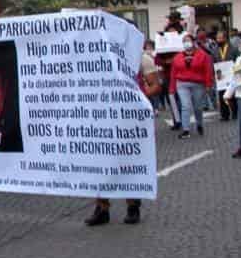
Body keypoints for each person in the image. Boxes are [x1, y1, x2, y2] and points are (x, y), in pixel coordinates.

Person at [86, 49, 161, 226]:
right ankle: (102, 208)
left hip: (130, 117)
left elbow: (155, 85)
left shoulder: (142, 58)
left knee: (129, 161)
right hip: (104, 115)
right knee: (101, 162)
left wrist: (137, 100)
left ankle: (133, 205)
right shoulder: (101, 54)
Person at [169, 34, 214, 139]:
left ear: (193, 42)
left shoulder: (203, 55)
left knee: (198, 107)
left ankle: (199, 123)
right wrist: (172, 87)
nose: (186, 43)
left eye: (188, 40)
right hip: (182, 84)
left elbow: (207, 70)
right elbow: (173, 73)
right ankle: (186, 130)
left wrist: (208, 84)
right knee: (185, 106)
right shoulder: (177, 57)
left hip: (198, 84)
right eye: (184, 41)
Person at [212, 30, 236, 121]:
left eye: (220, 38)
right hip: (220, 76)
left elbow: (237, 59)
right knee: (222, 96)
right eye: (217, 38)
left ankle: (234, 112)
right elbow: (213, 62)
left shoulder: (233, 48)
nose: (219, 40)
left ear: (225, 38)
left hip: (231, 75)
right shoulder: (215, 50)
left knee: (232, 95)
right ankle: (224, 115)